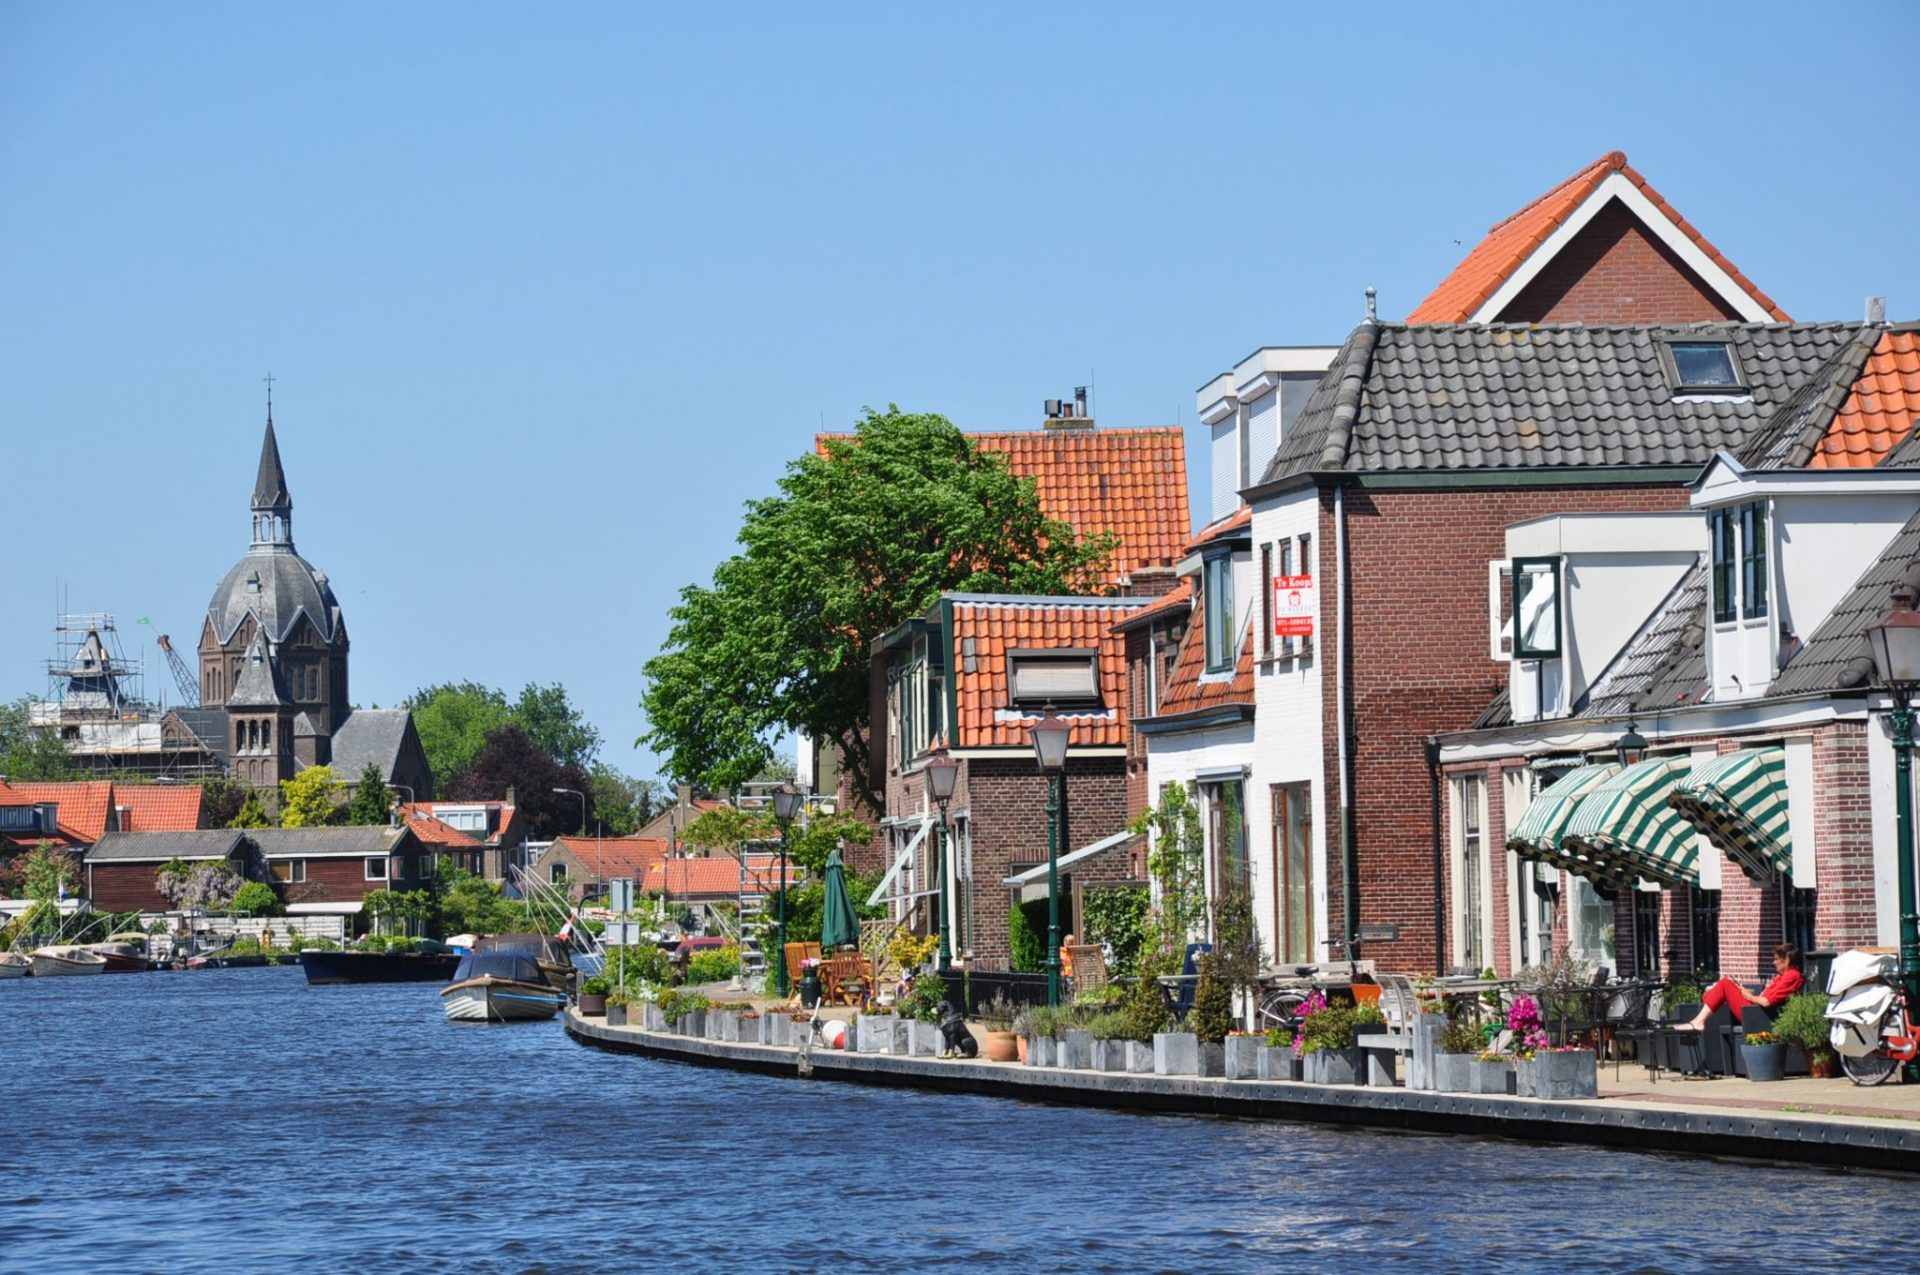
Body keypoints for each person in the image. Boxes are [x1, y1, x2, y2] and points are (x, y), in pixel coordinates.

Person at [1676, 944, 1804, 1030]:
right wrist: (1745, 992)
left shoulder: (1792, 976)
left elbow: (1767, 1002)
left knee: (1725, 984)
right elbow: (1765, 998)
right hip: (1757, 1011)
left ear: (1787, 960)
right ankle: (1708, 1002)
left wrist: (1749, 996)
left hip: (1758, 1015)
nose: (1773, 962)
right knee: (1726, 984)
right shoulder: (1784, 976)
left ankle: (1698, 1021)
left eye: (1776, 959)